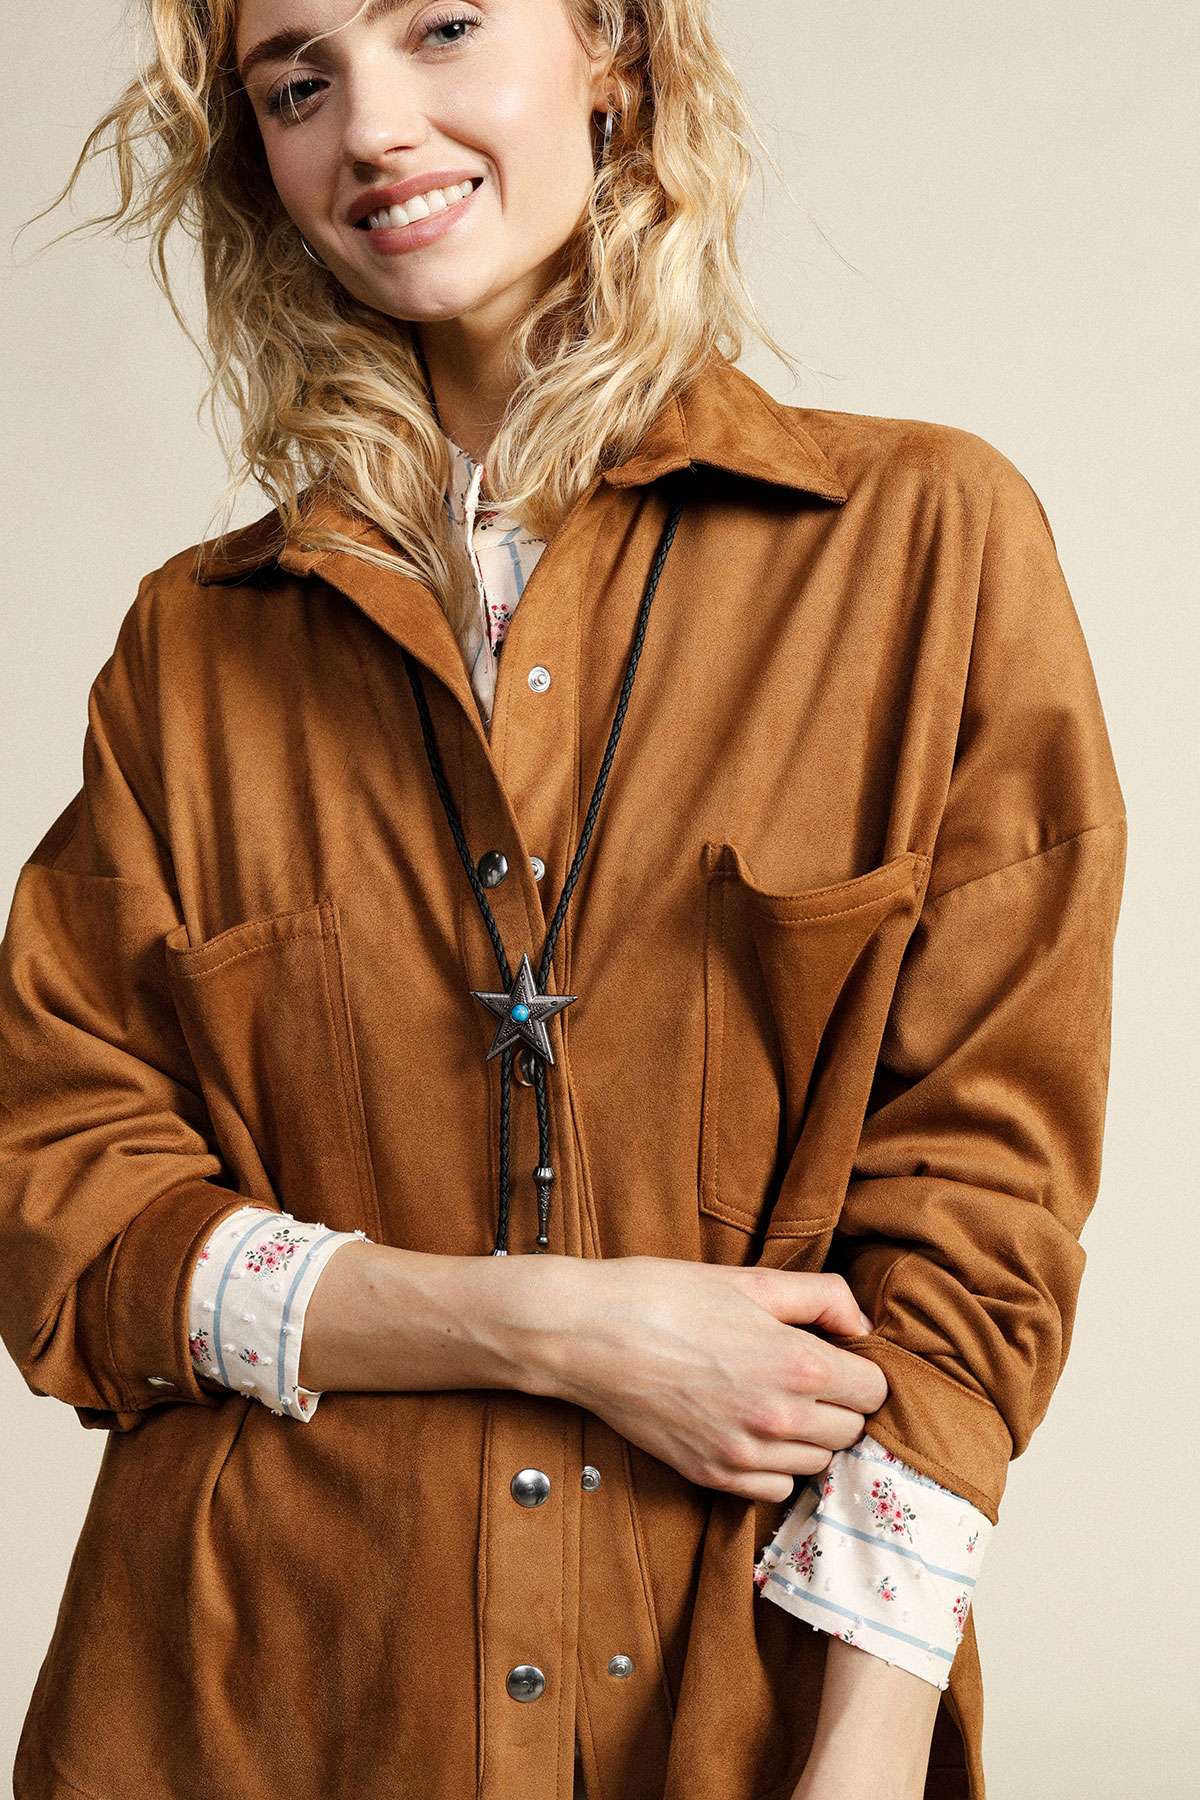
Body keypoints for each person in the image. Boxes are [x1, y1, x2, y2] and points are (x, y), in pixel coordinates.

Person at [0, 1, 1125, 1797]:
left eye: (438, 27)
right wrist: (560, 1324)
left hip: (735, 1717)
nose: (371, 124)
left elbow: (976, 1216)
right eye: (299, 81)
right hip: (241, 1710)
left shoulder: (929, 548)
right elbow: (62, 1214)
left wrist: (856, 1765)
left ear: (610, 46)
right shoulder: (191, 653)